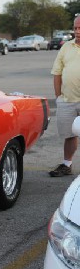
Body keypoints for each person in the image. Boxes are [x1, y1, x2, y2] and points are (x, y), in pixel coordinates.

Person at [49, 15, 80, 177]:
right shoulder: (66, 47)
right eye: (75, 28)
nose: (77, 31)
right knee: (70, 135)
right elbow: (57, 73)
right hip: (67, 101)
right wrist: (58, 97)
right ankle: (66, 164)